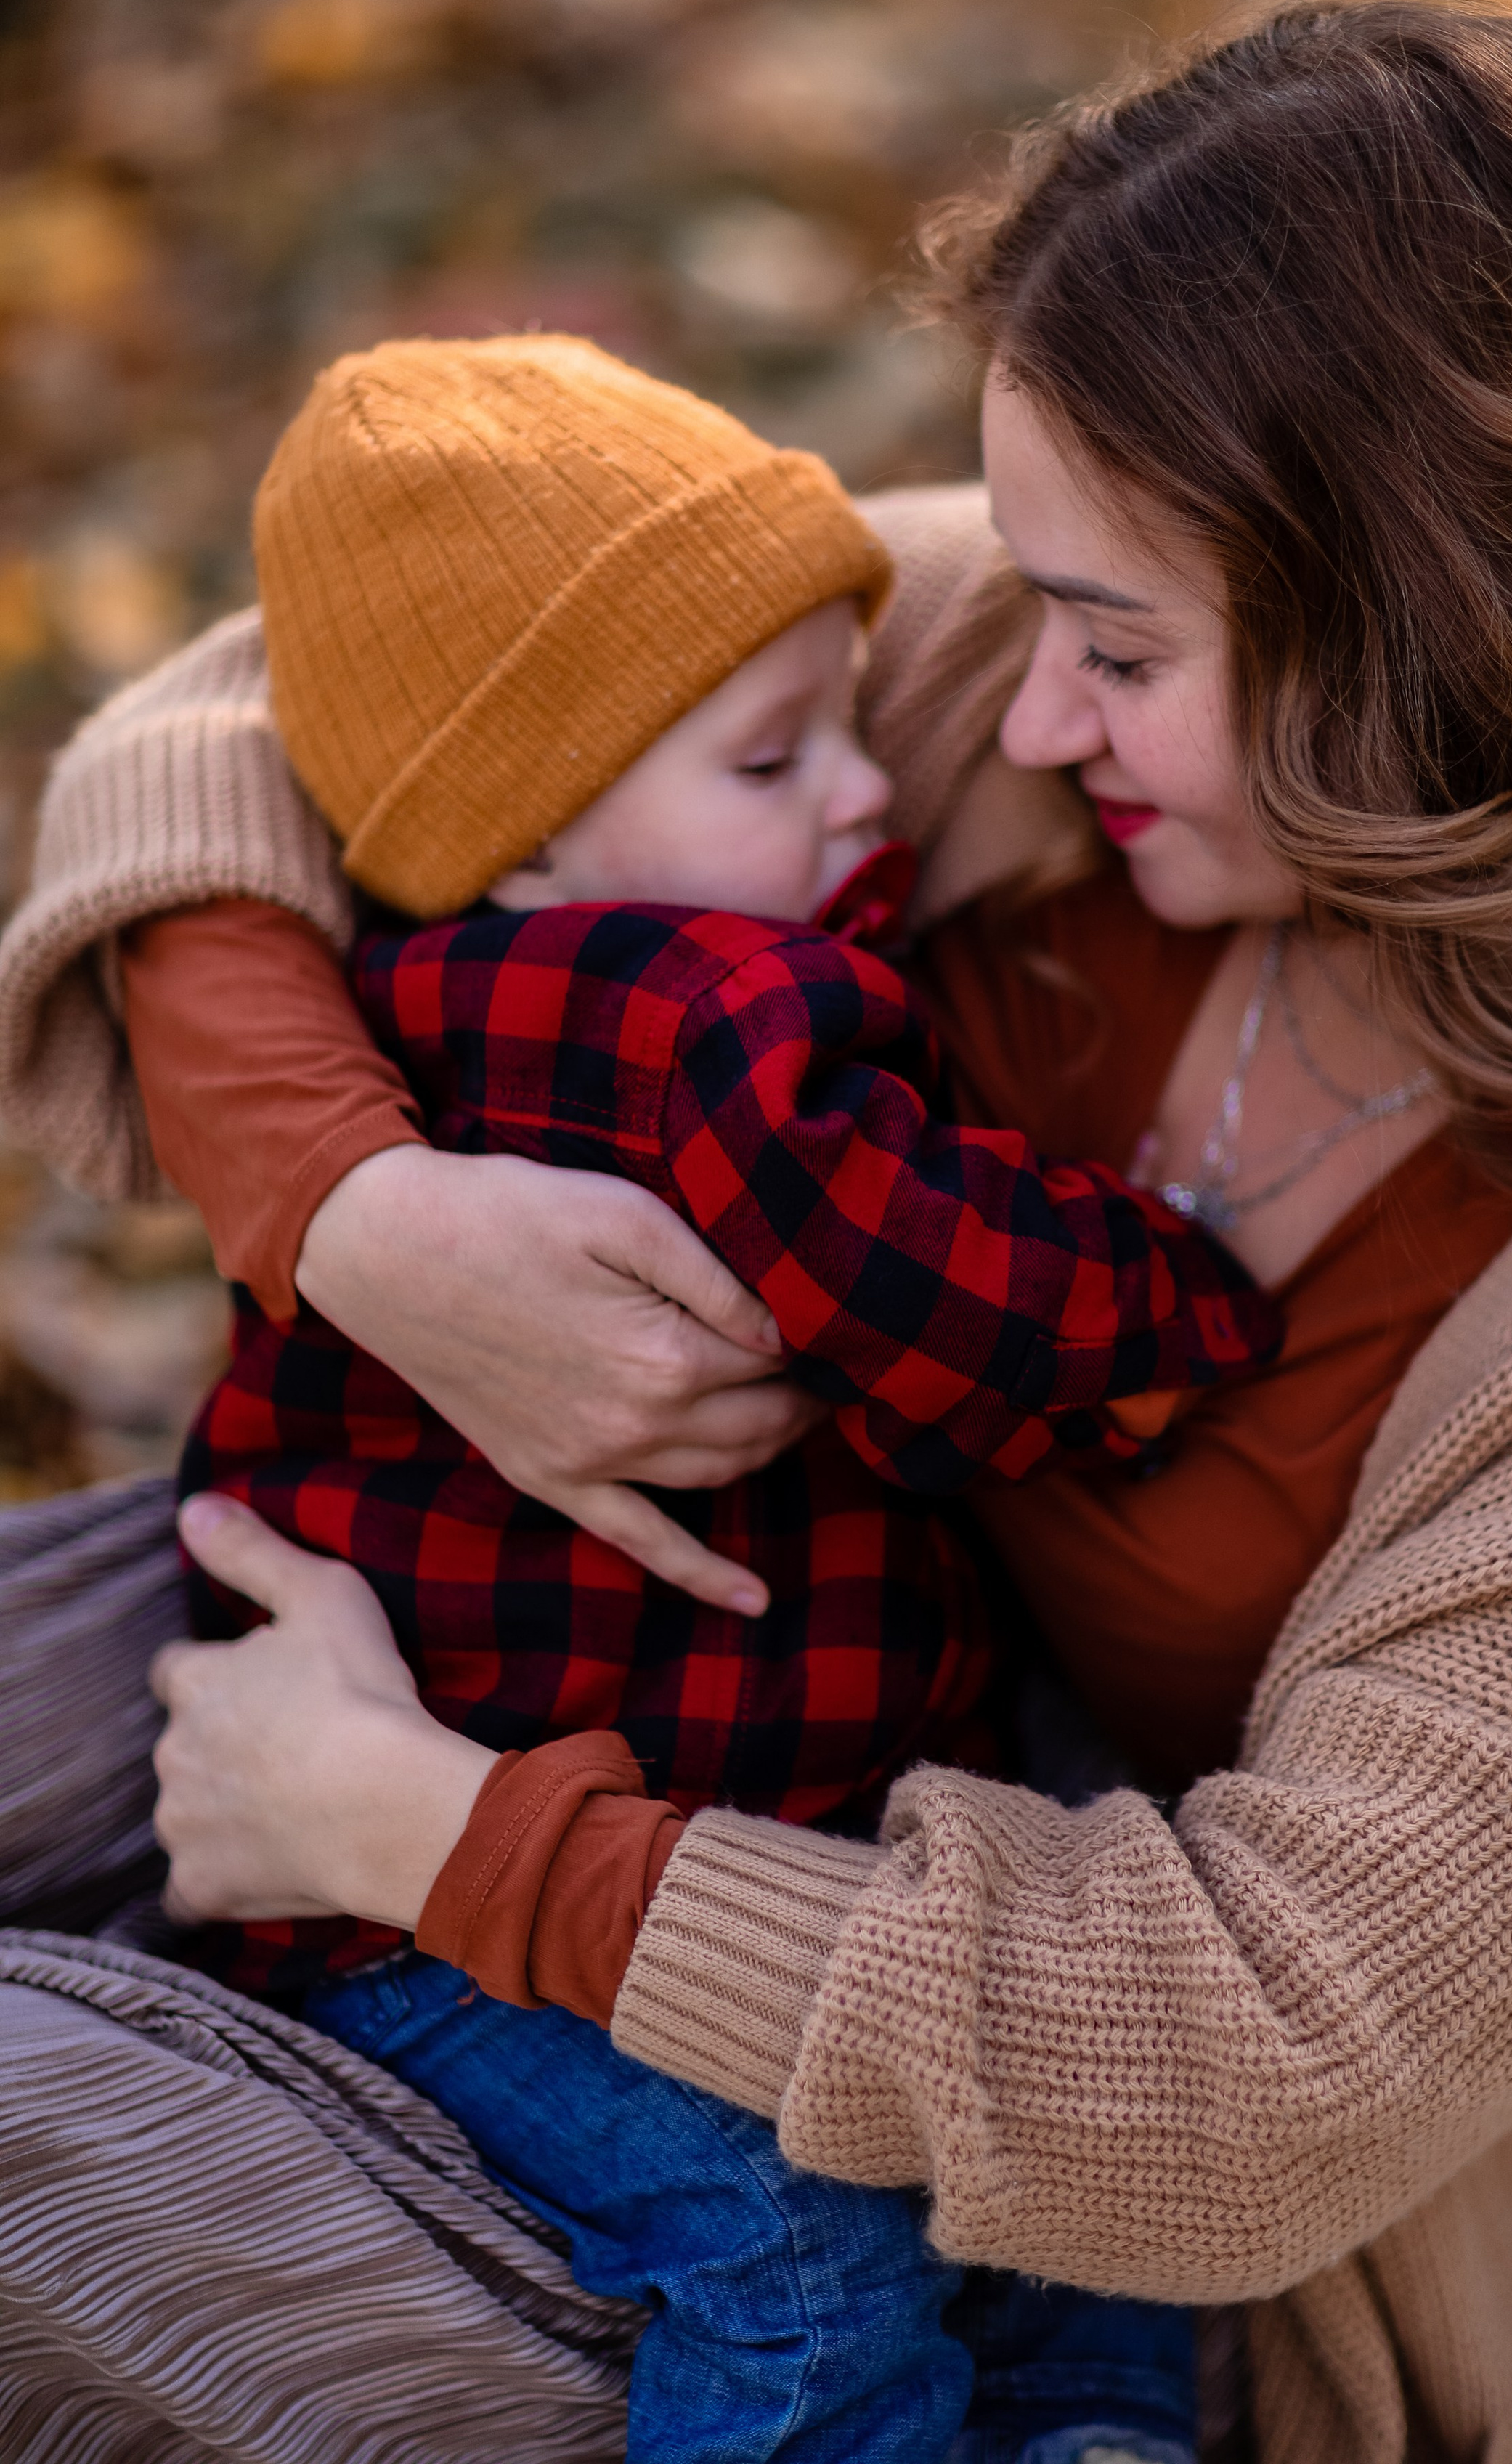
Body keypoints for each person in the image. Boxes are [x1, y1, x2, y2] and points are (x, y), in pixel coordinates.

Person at [7, 0, 1512, 2464]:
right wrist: (366, 1212)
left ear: (1426, 626)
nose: (1018, 720)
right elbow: (268, 711)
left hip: (987, 2176)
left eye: (1121, 649)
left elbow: (1256, 2085)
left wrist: (424, 1836)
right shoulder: (1035, 678)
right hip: (527, 1628)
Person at [176, 330, 1276, 2464]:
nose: (873, 791)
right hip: (466, 1912)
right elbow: (911, 1260)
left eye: (851, 724)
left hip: (659, 1831)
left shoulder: (497, 974)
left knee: (1010, 2208)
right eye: (775, 764)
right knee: (793, 2244)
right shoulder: (700, 1011)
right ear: (520, 849)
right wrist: (1176, 1313)